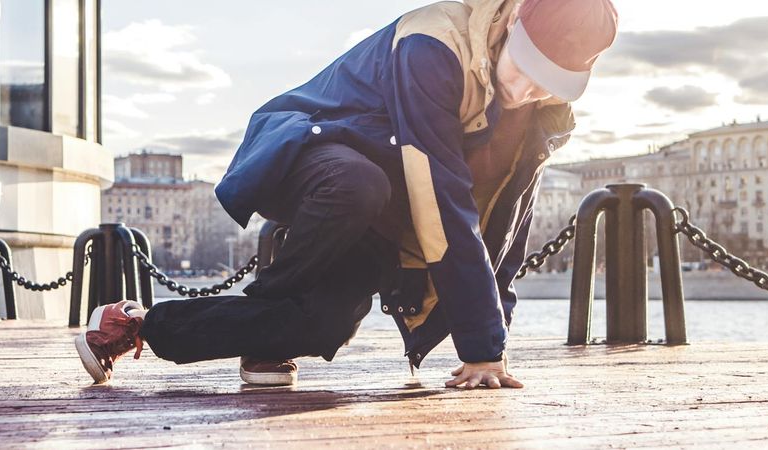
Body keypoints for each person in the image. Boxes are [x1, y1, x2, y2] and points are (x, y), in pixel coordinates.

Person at [75, 0, 618, 389]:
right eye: (526, 68)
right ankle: (282, 275)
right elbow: (441, 197)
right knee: (359, 184)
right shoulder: (432, 43)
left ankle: (135, 323)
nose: (526, 91)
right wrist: (479, 344)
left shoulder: (539, 114)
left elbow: (505, 221)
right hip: (312, 155)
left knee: (323, 326)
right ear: (514, 16)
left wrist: (495, 341)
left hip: (385, 214)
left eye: (550, 82)